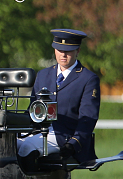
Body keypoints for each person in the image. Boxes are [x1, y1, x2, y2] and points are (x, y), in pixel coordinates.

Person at [18, 29, 100, 162]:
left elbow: (88, 118)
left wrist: (74, 143)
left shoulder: (88, 79)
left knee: (27, 148)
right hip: (38, 131)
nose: (63, 54)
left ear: (77, 51)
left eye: (68, 51)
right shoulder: (43, 75)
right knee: (10, 145)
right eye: (59, 50)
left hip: (65, 136)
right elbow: (32, 110)